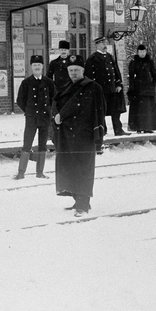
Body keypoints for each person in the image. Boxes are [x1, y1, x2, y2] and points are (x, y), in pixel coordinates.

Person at [53, 61, 107, 216]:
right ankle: (78, 200)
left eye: (76, 70)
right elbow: (56, 104)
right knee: (71, 168)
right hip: (67, 135)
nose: (73, 73)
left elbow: (100, 110)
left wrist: (98, 134)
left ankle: (83, 204)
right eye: (71, 70)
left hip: (85, 135)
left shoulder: (93, 87)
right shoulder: (65, 87)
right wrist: (57, 117)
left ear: (83, 70)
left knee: (83, 169)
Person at [14, 54, 54, 179]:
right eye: (34, 65)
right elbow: (20, 100)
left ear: (42, 66)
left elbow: (54, 99)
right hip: (31, 118)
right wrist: (29, 111)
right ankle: (21, 172)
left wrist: (49, 111)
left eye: (39, 65)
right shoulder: (26, 83)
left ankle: (40, 172)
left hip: (44, 118)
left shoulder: (49, 82)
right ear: (31, 67)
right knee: (27, 144)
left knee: (42, 144)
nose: (37, 67)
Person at [84, 39, 127, 136]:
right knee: (101, 111)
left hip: (112, 89)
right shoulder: (92, 59)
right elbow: (89, 76)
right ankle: (102, 130)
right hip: (101, 90)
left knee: (115, 111)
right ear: (97, 45)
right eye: (103, 43)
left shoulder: (110, 57)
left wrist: (118, 84)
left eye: (105, 43)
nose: (105, 45)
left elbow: (116, 72)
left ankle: (118, 130)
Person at [126, 44, 156, 133]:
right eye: (140, 52)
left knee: (148, 108)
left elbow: (154, 74)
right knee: (138, 109)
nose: (142, 53)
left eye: (144, 51)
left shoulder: (149, 62)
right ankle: (139, 127)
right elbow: (131, 77)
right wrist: (132, 87)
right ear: (137, 53)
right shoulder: (133, 62)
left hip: (148, 88)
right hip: (138, 88)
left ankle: (148, 126)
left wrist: (153, 85)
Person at [47, 40, 73, 149]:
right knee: (55, 115)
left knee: (69, 115)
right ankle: (53, 137)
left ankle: (70, 136)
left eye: (65, 50)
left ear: (68, 51)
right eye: (62, 50)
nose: (63, 52)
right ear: (59, 50)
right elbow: (48, 77)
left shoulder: (73, 61)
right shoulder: (54, 63)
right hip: (58, 94)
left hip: (71, 93)